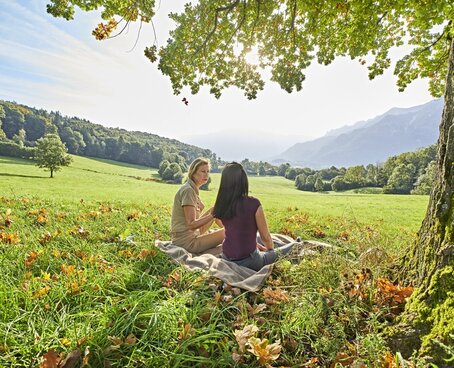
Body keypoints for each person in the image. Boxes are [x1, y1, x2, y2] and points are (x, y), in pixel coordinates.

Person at [213, 162, 294, 271]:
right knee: (292, 247)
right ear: (243, 181)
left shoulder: (221, 203)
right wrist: (270, 251)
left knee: (256, 238)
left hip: (226, 257)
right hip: (250, 261)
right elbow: (265, 237)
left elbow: (224, 224)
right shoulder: (253, 203)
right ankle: (297, 243)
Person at [171, 157, 224, 255]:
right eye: (203, 171)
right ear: (193, 173)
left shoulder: (192, 189)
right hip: (185, 242)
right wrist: (212, 215)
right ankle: (232, 234)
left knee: (215, 210)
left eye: (208, 171)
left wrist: (203, 209)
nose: (206, 174)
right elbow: (191, 225)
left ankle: (230, 232)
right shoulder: (188, 191)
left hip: (191, 234)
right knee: (227, 232)